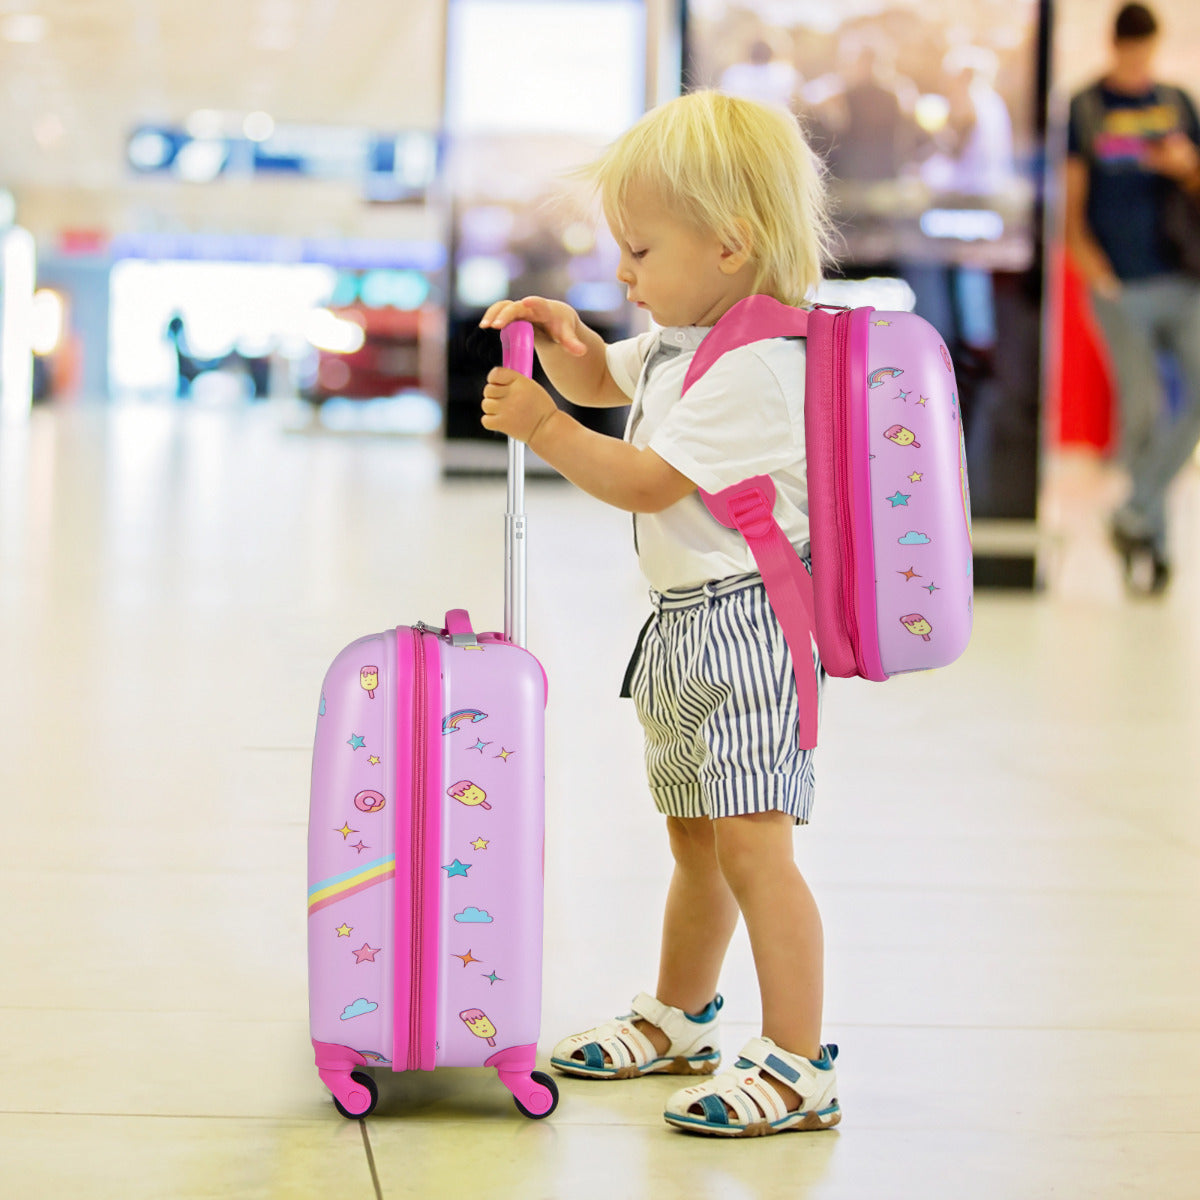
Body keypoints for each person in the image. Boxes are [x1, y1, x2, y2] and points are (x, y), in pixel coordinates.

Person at [478, 90, 840, 1138]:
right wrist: (564, 342)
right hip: (683, 627)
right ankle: (684, 1015)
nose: (625, 274)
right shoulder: (690, 340)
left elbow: (643, 478)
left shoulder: (762, 367)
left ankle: (799, 1063)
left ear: (730, 247)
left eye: (640, 250)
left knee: (754, 846)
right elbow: (603, 378)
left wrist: (543, 426)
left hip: (748, 631)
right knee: (697, 839)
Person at [1066, 2, 1200, 594]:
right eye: (1131, 50)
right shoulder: (1087, 106)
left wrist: (1187, 167)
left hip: (1182, 277)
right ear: (1115, 46)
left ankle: (1135, 513)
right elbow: (1072, 198)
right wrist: (1092, 267)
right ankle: (1153, 543)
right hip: (1121, 284)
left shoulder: (1177, 102)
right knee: (1144, 412)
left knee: (1189, 407)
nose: (1138, 61)